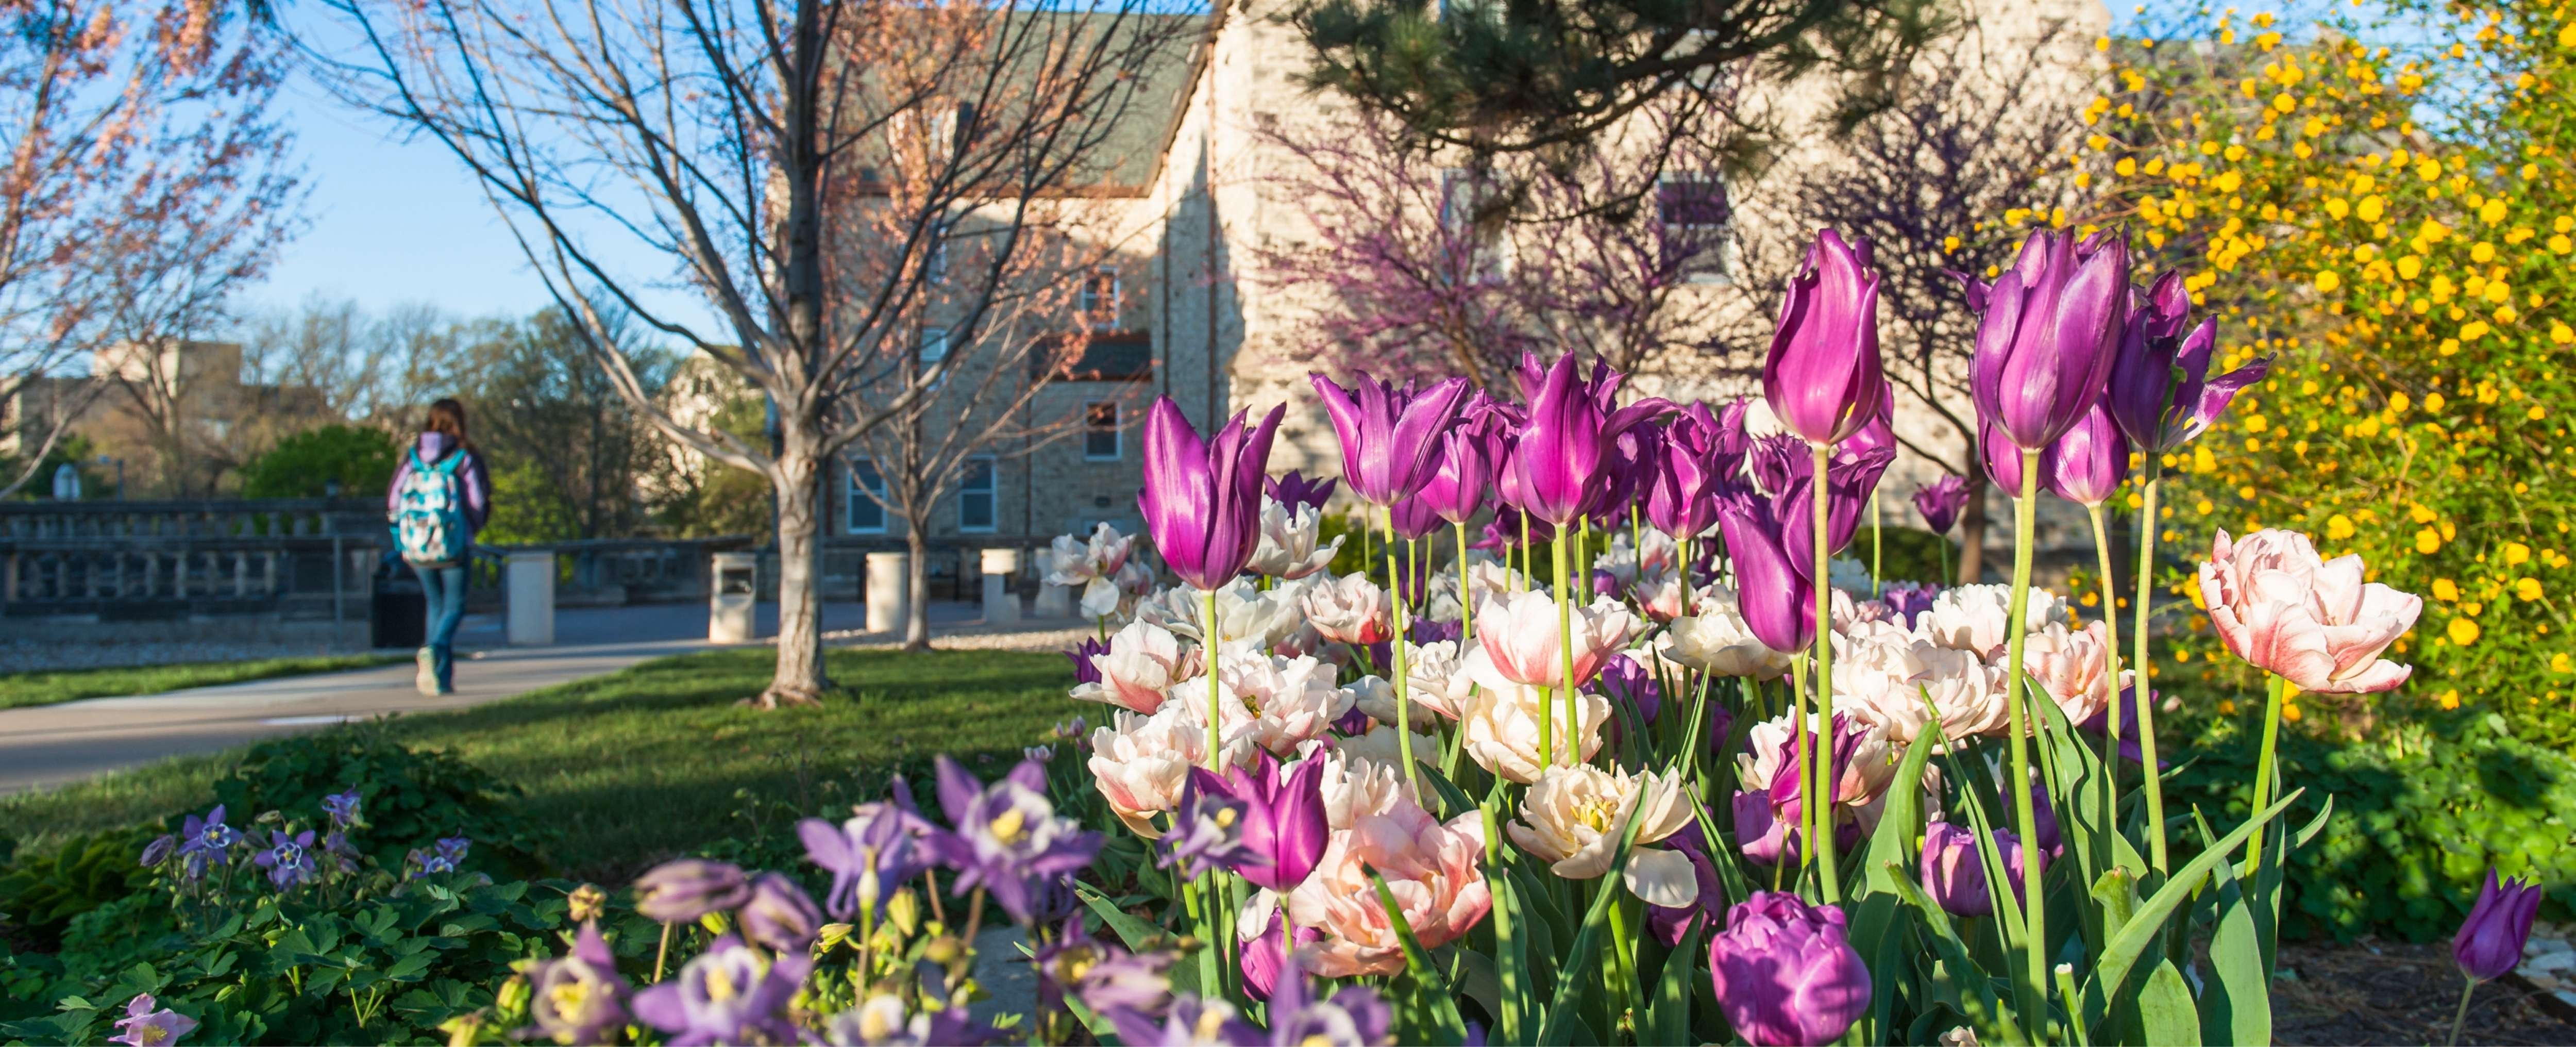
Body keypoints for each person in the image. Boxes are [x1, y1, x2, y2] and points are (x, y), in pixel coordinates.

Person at [387, 398, 492, 695]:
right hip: (452, 543)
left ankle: (439, 679)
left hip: (417, 545)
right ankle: (434, 650)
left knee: (434, 604)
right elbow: (478, 501)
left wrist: (400, 538)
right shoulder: (464, 457)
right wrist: (471, 529)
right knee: (455, 605)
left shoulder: (413, 458)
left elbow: (394, 499)